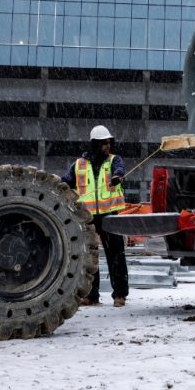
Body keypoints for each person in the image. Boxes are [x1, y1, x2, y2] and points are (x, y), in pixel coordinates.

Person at [63, 125, 129, 307]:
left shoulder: (114, 161)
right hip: (87, 217)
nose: (108, 146)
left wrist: (118, 177)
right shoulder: (78, 165)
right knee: (89, 257)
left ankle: (120, 295)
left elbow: (120, 170)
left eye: (109, 143)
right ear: (95, 144)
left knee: (116, 254)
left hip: (110, 215)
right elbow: (65, 183)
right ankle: (92, 296)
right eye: (104, 143)